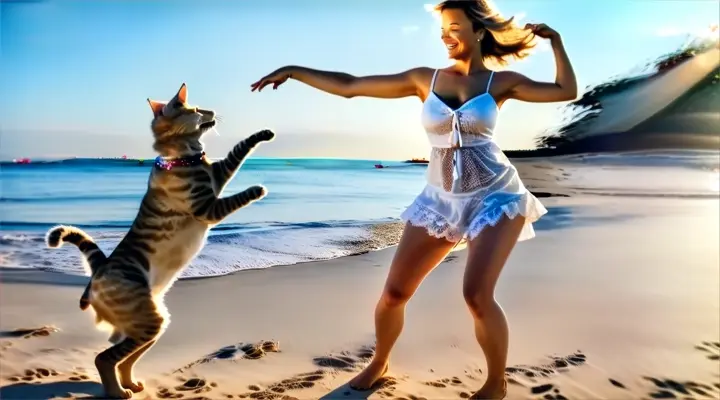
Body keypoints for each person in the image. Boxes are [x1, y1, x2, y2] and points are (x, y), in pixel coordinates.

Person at [251, 0, 577, 398]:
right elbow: (351, 86)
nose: (446, 35)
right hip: (440, 200)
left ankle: (496, 383)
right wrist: (294, 71)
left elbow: (566, 90)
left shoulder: (500, 83)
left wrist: (556, 42)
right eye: (443, 29)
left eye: (455, 26)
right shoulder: (425, 78)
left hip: (495, 196)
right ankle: (380, 361)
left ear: (478, 31)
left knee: (476, 295)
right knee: (393, 295)